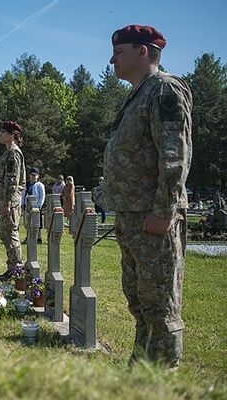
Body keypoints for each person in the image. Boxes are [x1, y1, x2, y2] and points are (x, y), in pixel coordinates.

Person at [103, 25, 192, 369]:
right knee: (140, 302)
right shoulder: (138, 93)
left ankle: (161, 375)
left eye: (119, 52)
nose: (112, 59)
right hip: (132, 216)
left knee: (160, 305)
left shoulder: (165, 90)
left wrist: (165, 210)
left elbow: (174, 155)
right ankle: (141, 369)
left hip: (153, 217)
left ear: (143, 51)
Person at [0, 122, 26, 280]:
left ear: (13, 135)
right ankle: (12, 267)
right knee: (5, 234)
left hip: (9, 201)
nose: (0, 135)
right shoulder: (8, 153)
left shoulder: (13, 153)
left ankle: (17, 269)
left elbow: (12, 180)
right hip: (4, 200)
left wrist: (7, 203)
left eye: (3, 132)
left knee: (11, 234)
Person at [28, 167, 46, 243]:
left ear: (38, 176)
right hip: (28, 204)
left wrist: (39, 205)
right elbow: (23, 194)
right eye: (32, 175)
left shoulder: (40, 185)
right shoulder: (27, 184)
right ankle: (28, 236)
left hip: (37, 206)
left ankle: (39, 237)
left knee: (38, 223)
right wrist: (23, 204)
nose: (33, 176)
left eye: (35, 175)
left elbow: (42, 196)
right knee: (28, 222)